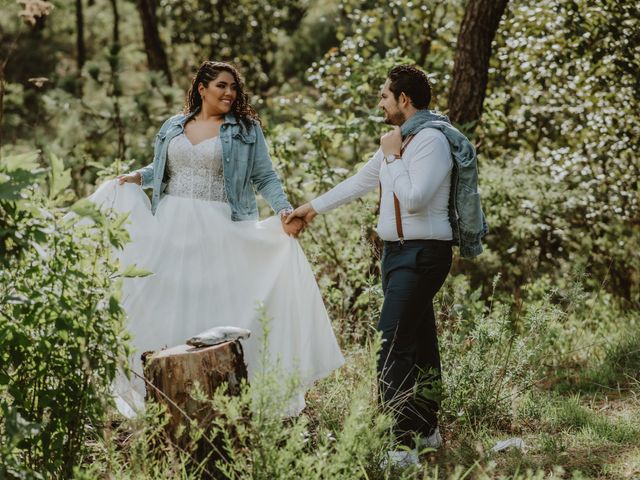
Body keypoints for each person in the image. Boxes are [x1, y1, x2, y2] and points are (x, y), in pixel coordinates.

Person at [89, 61, 344, 416]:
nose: (229, 93)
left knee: (218, 302)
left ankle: (225, 395)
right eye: (222, 85)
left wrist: (284, 210)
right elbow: (160, 169)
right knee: (164, 299)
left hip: (219, 225)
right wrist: (137, 177)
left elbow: (265, 177)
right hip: (170, 225)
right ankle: (162, 393)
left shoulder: (245, 129)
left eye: (234, 87)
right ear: (202, 88)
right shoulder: (173, 127)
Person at [286, 65, 487, 466]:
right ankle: (426, 431)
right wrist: (310, 209)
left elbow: (414, 198)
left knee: (391, 344)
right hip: (396, 254)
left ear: (403, 100)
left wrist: (392, 157)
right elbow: (360, 182)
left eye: (384, 96)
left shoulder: (429, 140)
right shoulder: (401, 139)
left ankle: (400, 445)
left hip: (424, 253)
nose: (380, 102)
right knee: (419, 342)